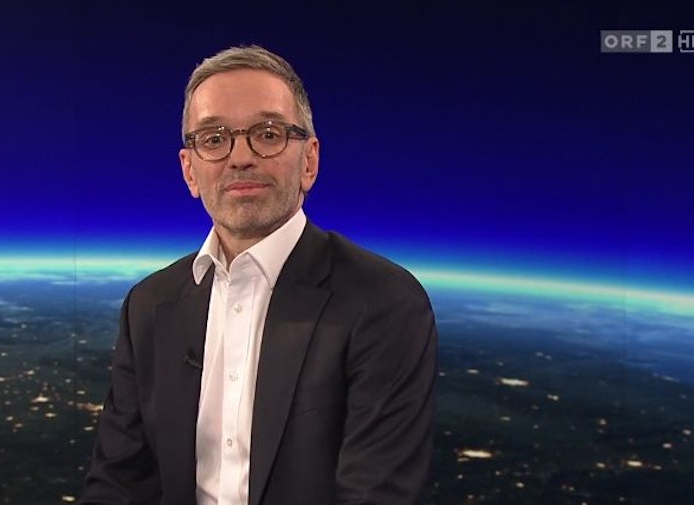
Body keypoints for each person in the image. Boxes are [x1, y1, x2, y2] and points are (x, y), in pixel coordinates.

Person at [79, 44, 438, 505]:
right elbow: (117, 485)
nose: (240, 157)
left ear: (309, 161)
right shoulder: (149, 305)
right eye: (214, 139)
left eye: (268, 134)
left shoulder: (384, 302)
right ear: (190, 171)